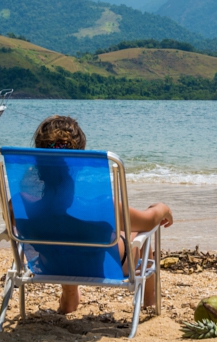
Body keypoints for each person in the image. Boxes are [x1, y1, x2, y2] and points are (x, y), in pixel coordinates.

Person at [30, 115, 174, 314]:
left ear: (37, 160)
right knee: (137, 237)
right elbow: (149, 222)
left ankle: (70, 294)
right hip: (103, 267)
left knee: (60, 235)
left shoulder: (22, 205)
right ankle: (150, 302)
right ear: (79, 163)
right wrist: (161, 208)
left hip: (53, 266)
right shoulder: (105, 207)